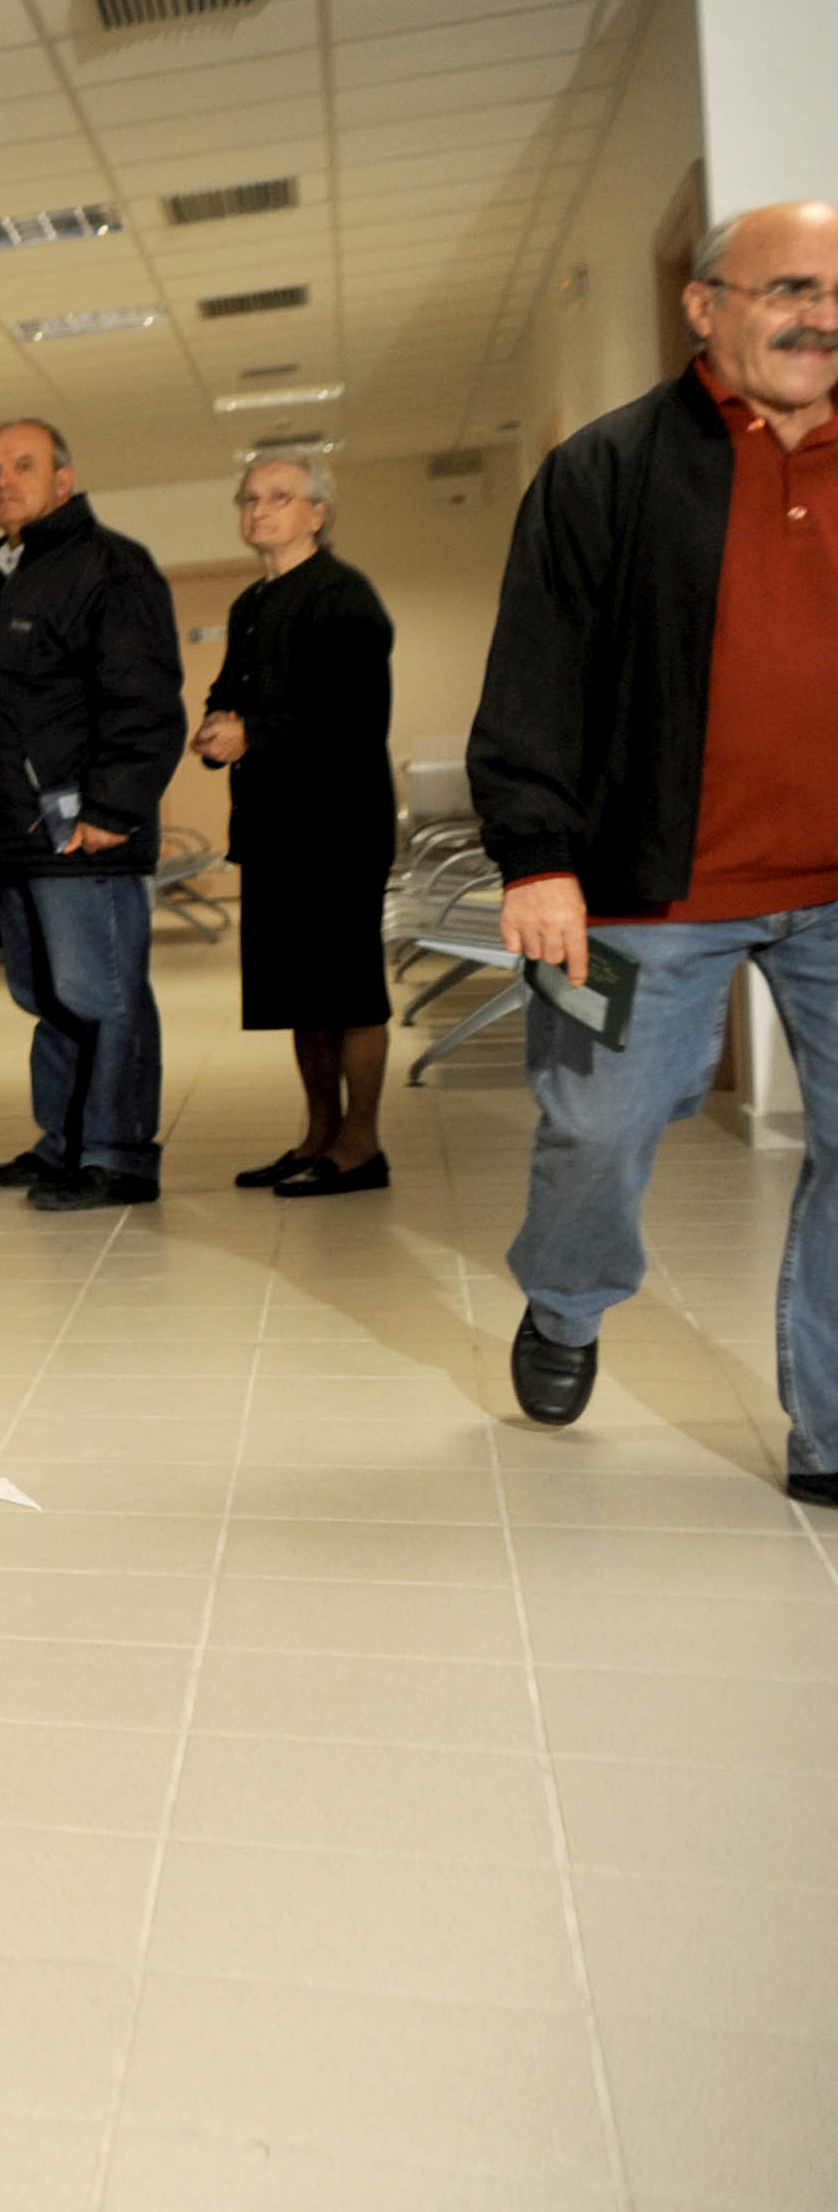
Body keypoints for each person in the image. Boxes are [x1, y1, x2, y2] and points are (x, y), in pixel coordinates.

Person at [475, 196, 838, 1479]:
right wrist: (534, 859)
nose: (818, 317)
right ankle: (566, 1300)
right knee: (596, 1128)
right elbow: (534, 672)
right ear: (704, 306)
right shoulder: (607, 470)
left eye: (835, 296)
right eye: (789, 288)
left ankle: (832, 1431)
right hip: (640, 891)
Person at [0, 415, 186, 1211]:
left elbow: (146, 701)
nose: (3, 482)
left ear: (65, 477)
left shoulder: (109, 567)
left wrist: (115, 808)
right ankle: (63, 1144)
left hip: (85, 833)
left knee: (104, 997)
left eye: (23, 465)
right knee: (49, 999)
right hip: (25, 838)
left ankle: (117, 1155)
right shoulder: (11, 581)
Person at [196, 454, 399, 1195]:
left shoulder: (344, 598)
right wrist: (215, 727)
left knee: (347, 992)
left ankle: (362, 1144)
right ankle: (318, 1134)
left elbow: (353, 719)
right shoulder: (253, 602)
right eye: (248, 498)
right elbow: (231, 691)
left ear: (317, 514)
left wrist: (254, 734)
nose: (259, 510)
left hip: (338, 828)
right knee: (299, 994)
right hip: (274, 828)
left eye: (279, 498)